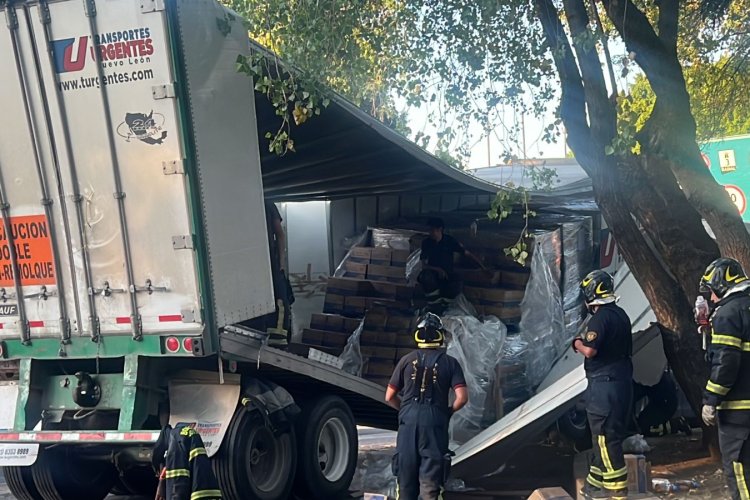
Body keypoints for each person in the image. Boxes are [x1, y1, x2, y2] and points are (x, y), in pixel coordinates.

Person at [385, 313, 469, 500]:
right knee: (431, 486)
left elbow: (389, 396)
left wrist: (405, 411)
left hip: (408, 424)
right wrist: (448, 411)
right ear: (440, 335)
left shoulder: (406, 361)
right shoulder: (450, 363)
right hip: (435, 424)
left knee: (405, 485)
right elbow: (462, 397)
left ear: (417, 335)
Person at [573, 270, 633, 500]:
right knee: (603, 437)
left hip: (604, 387)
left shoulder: (600, 318)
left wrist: (577, 342)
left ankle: (617, 491)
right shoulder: (621, 314)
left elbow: (590, 350)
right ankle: (593, 485)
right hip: (621, 383)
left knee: (606, 439)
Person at [698, 257, 750, 500]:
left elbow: (726, 362)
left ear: (720, 285)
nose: (711, 298)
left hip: (739, 413)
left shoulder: (728, 313)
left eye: (711, 292)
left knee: (739, 472)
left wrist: (711, 400)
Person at [418, 217, 485, 302]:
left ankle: (447, 301)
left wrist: (483, 267)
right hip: (433, 273)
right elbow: (424, 265)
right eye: (429, 230)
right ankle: (432, 302)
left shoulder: (449, 241)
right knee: (425, 276)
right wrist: (437, 269)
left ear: (440, 229)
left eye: (432, 230)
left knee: (457, 281)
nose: (430, 232)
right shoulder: (426, 243)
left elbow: (467, 254)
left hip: (448, 273)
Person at [265, 200, 293, 347]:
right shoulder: (267, 204)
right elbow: (280, 234)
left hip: (270, 261)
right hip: (266, 261)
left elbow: (279, 234)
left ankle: (278, 336)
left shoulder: (267, 204)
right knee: (279, 298)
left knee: (280, 298)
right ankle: (276, 335)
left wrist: (281, 262)